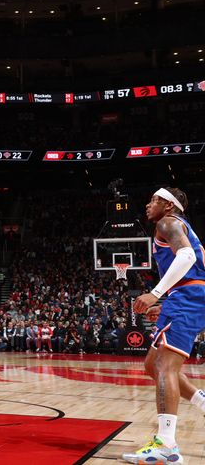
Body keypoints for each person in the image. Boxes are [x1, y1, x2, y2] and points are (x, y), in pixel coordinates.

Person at [123, 188, 205, 464]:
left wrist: (156, 293)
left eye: (154, 200)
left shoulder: (167, 222)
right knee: (152, 364)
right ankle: (202, 402)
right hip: (187, 296)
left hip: (187, 298)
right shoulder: (184, 227)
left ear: (169, 205)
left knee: (165, 367)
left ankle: (167, 445)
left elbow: (187, 258)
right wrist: (167, 300)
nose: (148, 205)